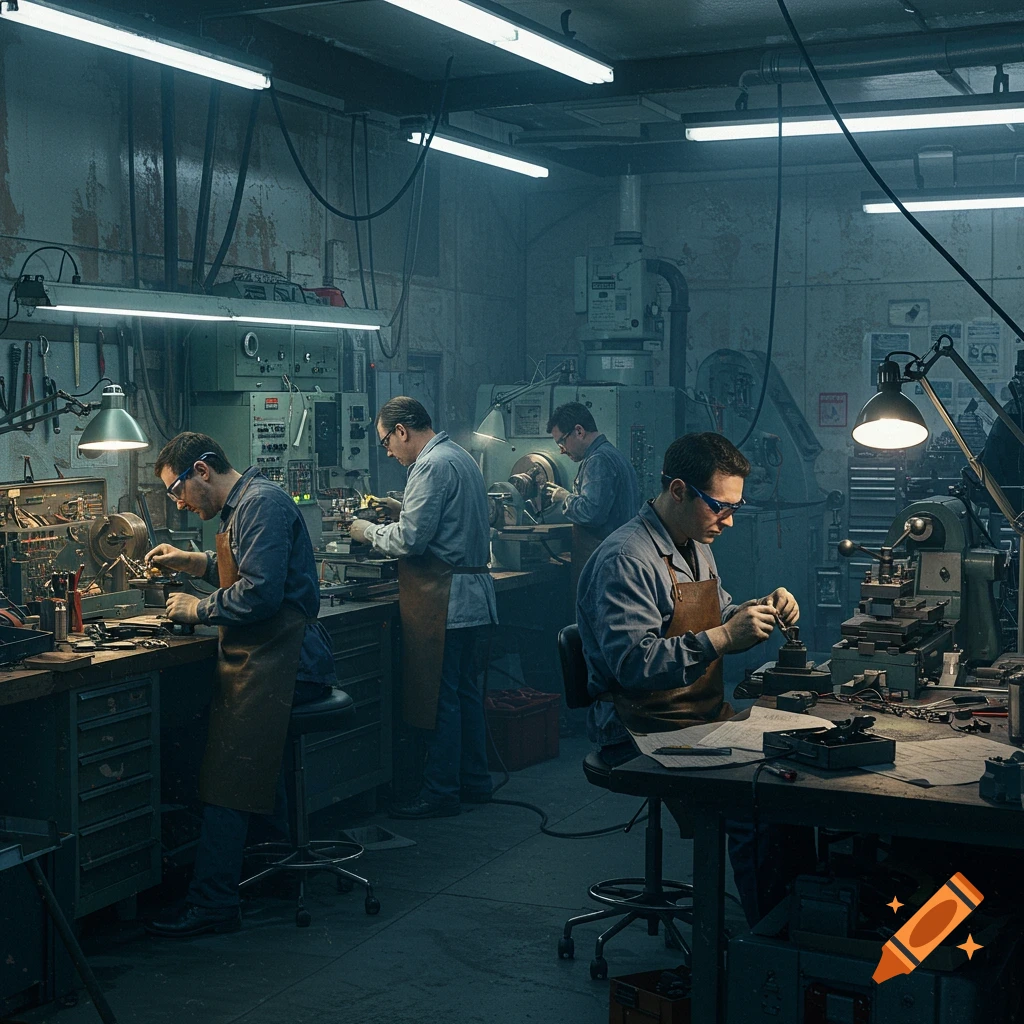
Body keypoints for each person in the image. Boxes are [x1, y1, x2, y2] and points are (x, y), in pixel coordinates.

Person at [576, 432, 814, 925]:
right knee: (756, 802)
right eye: (719, 507)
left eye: (735, 507)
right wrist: (726, 638)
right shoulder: (627, 559)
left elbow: (714, 612)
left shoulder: (693, 543)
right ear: (679, 490)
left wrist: (758, 608)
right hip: (637, 728)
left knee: (793, 776)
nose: (728, 521)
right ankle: (766, 947)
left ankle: (798, 934)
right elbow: (634, 666)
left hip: (697, 714)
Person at [143, 433, 335, 938]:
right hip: (270, 655)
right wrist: (194, 563)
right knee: (244, 756)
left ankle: (214, 904)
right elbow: (244, 569)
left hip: (291, 659)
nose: (179, 502)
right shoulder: (243, 507)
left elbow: (261, 594)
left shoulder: (263, 503)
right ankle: (268, 871)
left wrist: (197, 608)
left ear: (202, 470)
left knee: (228, 768)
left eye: (177, 490)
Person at [349, 397, 497, 819]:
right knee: (465, 695)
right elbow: (450, 518)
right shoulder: (459, 456)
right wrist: (403, 508)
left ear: (401, 430)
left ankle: (440, 793)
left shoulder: (429, 466)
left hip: (446, 599)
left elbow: (410, 541)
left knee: (440, 699)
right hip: (473, 599)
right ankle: (475, 781)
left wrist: (367, 530)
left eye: (386, 443)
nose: (390, 454)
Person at [544, 401, 641, 588]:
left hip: (606, 566)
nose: (561, 451)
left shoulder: (598, 460)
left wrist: (564, 497)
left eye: (561, 442)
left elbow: (591, 512)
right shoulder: (613, 454)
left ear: (579, 431)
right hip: (619, 561)